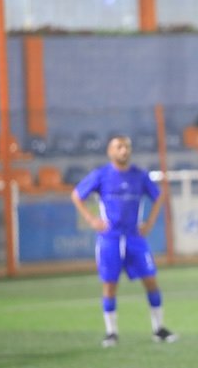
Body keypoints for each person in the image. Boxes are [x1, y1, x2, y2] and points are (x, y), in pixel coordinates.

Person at [71, 135, 176, 347]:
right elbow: (76, 195)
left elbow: (159, 196)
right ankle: (111, 332)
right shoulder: (101, 175)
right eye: (119, 147)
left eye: (127, 146)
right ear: (110, 151)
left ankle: (159, 328)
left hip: (134, 238)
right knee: (110, 284)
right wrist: (91, 219)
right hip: (109, 239)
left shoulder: (140, 175)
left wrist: (150, 222)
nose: (124, 150)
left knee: (151, 280)